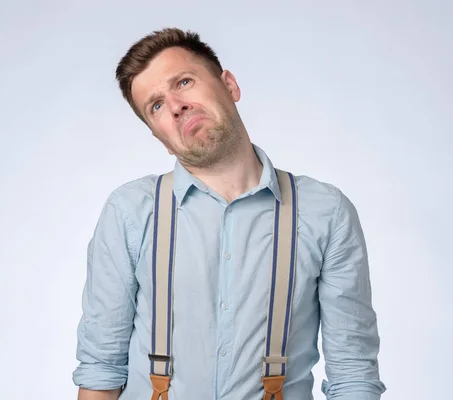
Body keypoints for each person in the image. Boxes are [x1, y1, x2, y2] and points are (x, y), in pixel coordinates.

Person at [72, 27, 386, 400]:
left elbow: (353, 374)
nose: (175, 106)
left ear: (230, 86)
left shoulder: (326, 213)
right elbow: (101, 369)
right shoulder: (129, 212)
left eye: (184, 82)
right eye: (156, 106)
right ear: (158, 136)